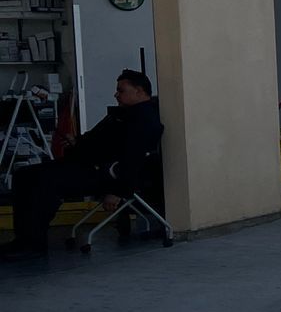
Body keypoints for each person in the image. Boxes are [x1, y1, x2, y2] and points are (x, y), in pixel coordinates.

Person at [2, 70, 162, 259]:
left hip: (104, 173)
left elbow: (133, 158)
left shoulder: (143, 119)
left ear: (139, 91)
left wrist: (118, 191)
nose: (116, 94)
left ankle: (33, 243)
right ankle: (23, 239)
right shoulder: (120, 114)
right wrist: (77, 142)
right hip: (84, 163)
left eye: (121, 90)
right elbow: (96, 137)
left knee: (45, 181)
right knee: (24, 175)